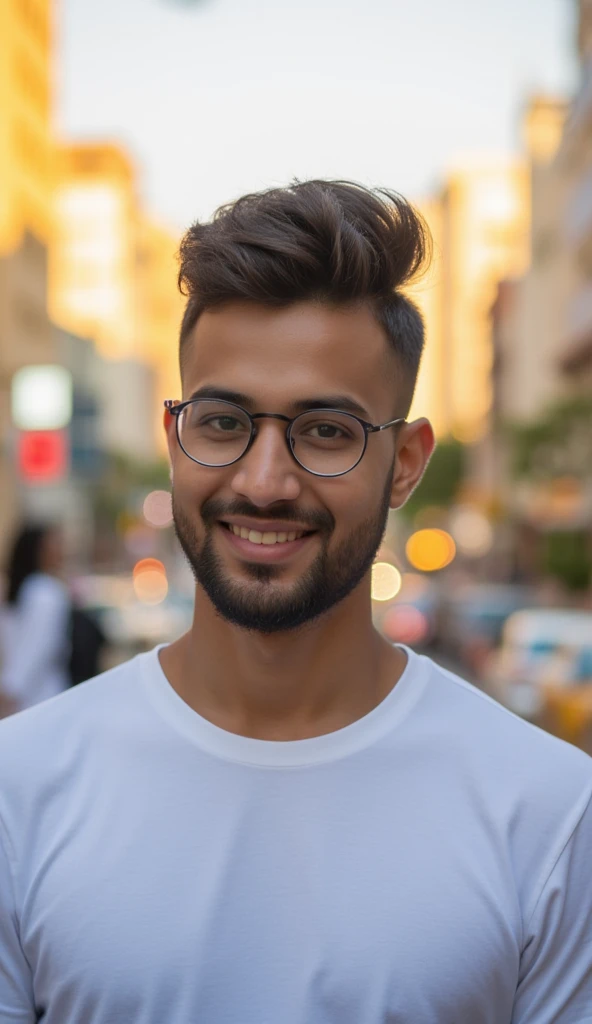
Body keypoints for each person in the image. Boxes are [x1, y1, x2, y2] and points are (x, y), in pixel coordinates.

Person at [0, 181, 591, 1024]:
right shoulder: (19, 788)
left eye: (326, 431)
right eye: (221, 421)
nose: (265, 482)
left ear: (408, 462)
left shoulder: (550, 813)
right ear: (174, 439)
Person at [0, 524, 71, 715]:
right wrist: (9, 693)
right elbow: (35, 648)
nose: (61, 550)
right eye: (55, 543)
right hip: (38, 699)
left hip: (28, 698)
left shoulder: (27, 589)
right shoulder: (44, 591)